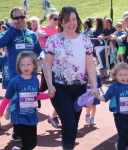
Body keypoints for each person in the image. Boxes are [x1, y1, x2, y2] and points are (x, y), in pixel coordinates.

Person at [43, 6, 98, 150]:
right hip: (59, 88)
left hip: (79, 89)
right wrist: (50, 85)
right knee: (69, 124)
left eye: (74, 19)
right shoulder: (53, 40)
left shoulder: (85, 40)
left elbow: (90, 65)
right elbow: (47, 65)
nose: (71, 23)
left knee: (73, 124)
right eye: (67, 20)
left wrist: (94, 86)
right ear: (61, 22)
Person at [0, 6, 42, 141]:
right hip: (16, 76)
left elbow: (39, 50)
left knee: (30, 102)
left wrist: (42, 55)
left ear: (26, 17)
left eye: (22, 17)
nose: (19, 20)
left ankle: (28, 127)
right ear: (12, 20)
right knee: (17, 103)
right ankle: (16, 129)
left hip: (32, 76)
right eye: (16, 18)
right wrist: (11, 29)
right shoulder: (9, 33)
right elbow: (1, 43)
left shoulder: (32, 34)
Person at [0, 51, 50, 150]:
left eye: (28, 64)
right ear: (18, 66)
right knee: (27, 145)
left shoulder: (35, 80)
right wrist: (1, 111)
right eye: (22, 65)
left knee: (33, 144)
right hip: (18, 117)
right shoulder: (15, 81)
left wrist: (49, 95)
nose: (25, 67)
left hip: (31, 116)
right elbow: (7, 97)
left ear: (34, 66)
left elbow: (36, 96)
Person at [96, 62, 128, 150]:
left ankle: (120, 146)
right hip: (119, 116)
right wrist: (97, 96)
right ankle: (121, 147)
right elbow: (105, 98)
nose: (123, 77)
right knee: (123, 136)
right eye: (120, 75)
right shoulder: (114, 86)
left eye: (125, 75)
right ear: (115, 75)